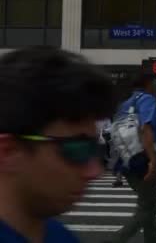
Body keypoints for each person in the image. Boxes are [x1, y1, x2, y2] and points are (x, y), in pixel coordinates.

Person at [0, 46, 116, 242]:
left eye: (93, 147)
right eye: (77, 148)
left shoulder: (60, 235)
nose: (95, 171)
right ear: (8, 152)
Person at [107, 72, 156, 243]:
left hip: (127, 161)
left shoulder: (124, 104)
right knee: (147, 208)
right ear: (148, 83)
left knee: (148, 206)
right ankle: (116, 240)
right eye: (154, 83)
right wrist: (152, 160)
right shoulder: (147, 100)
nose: (155, 86)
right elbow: (146, 128)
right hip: (143, 160)